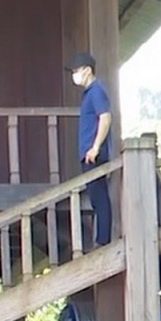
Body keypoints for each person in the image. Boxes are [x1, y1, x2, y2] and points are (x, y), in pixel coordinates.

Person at [67, 52, 114, 246]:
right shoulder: (89, 93)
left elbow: (105, 117)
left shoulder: (96, 91)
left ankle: (103, 240)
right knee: (96, 197)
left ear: (87, 70)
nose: (74, 75)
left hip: (94, 154)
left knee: (99, 196)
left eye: (76, 71)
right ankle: (101, 238)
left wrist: (95, 147)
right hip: (88, 153)